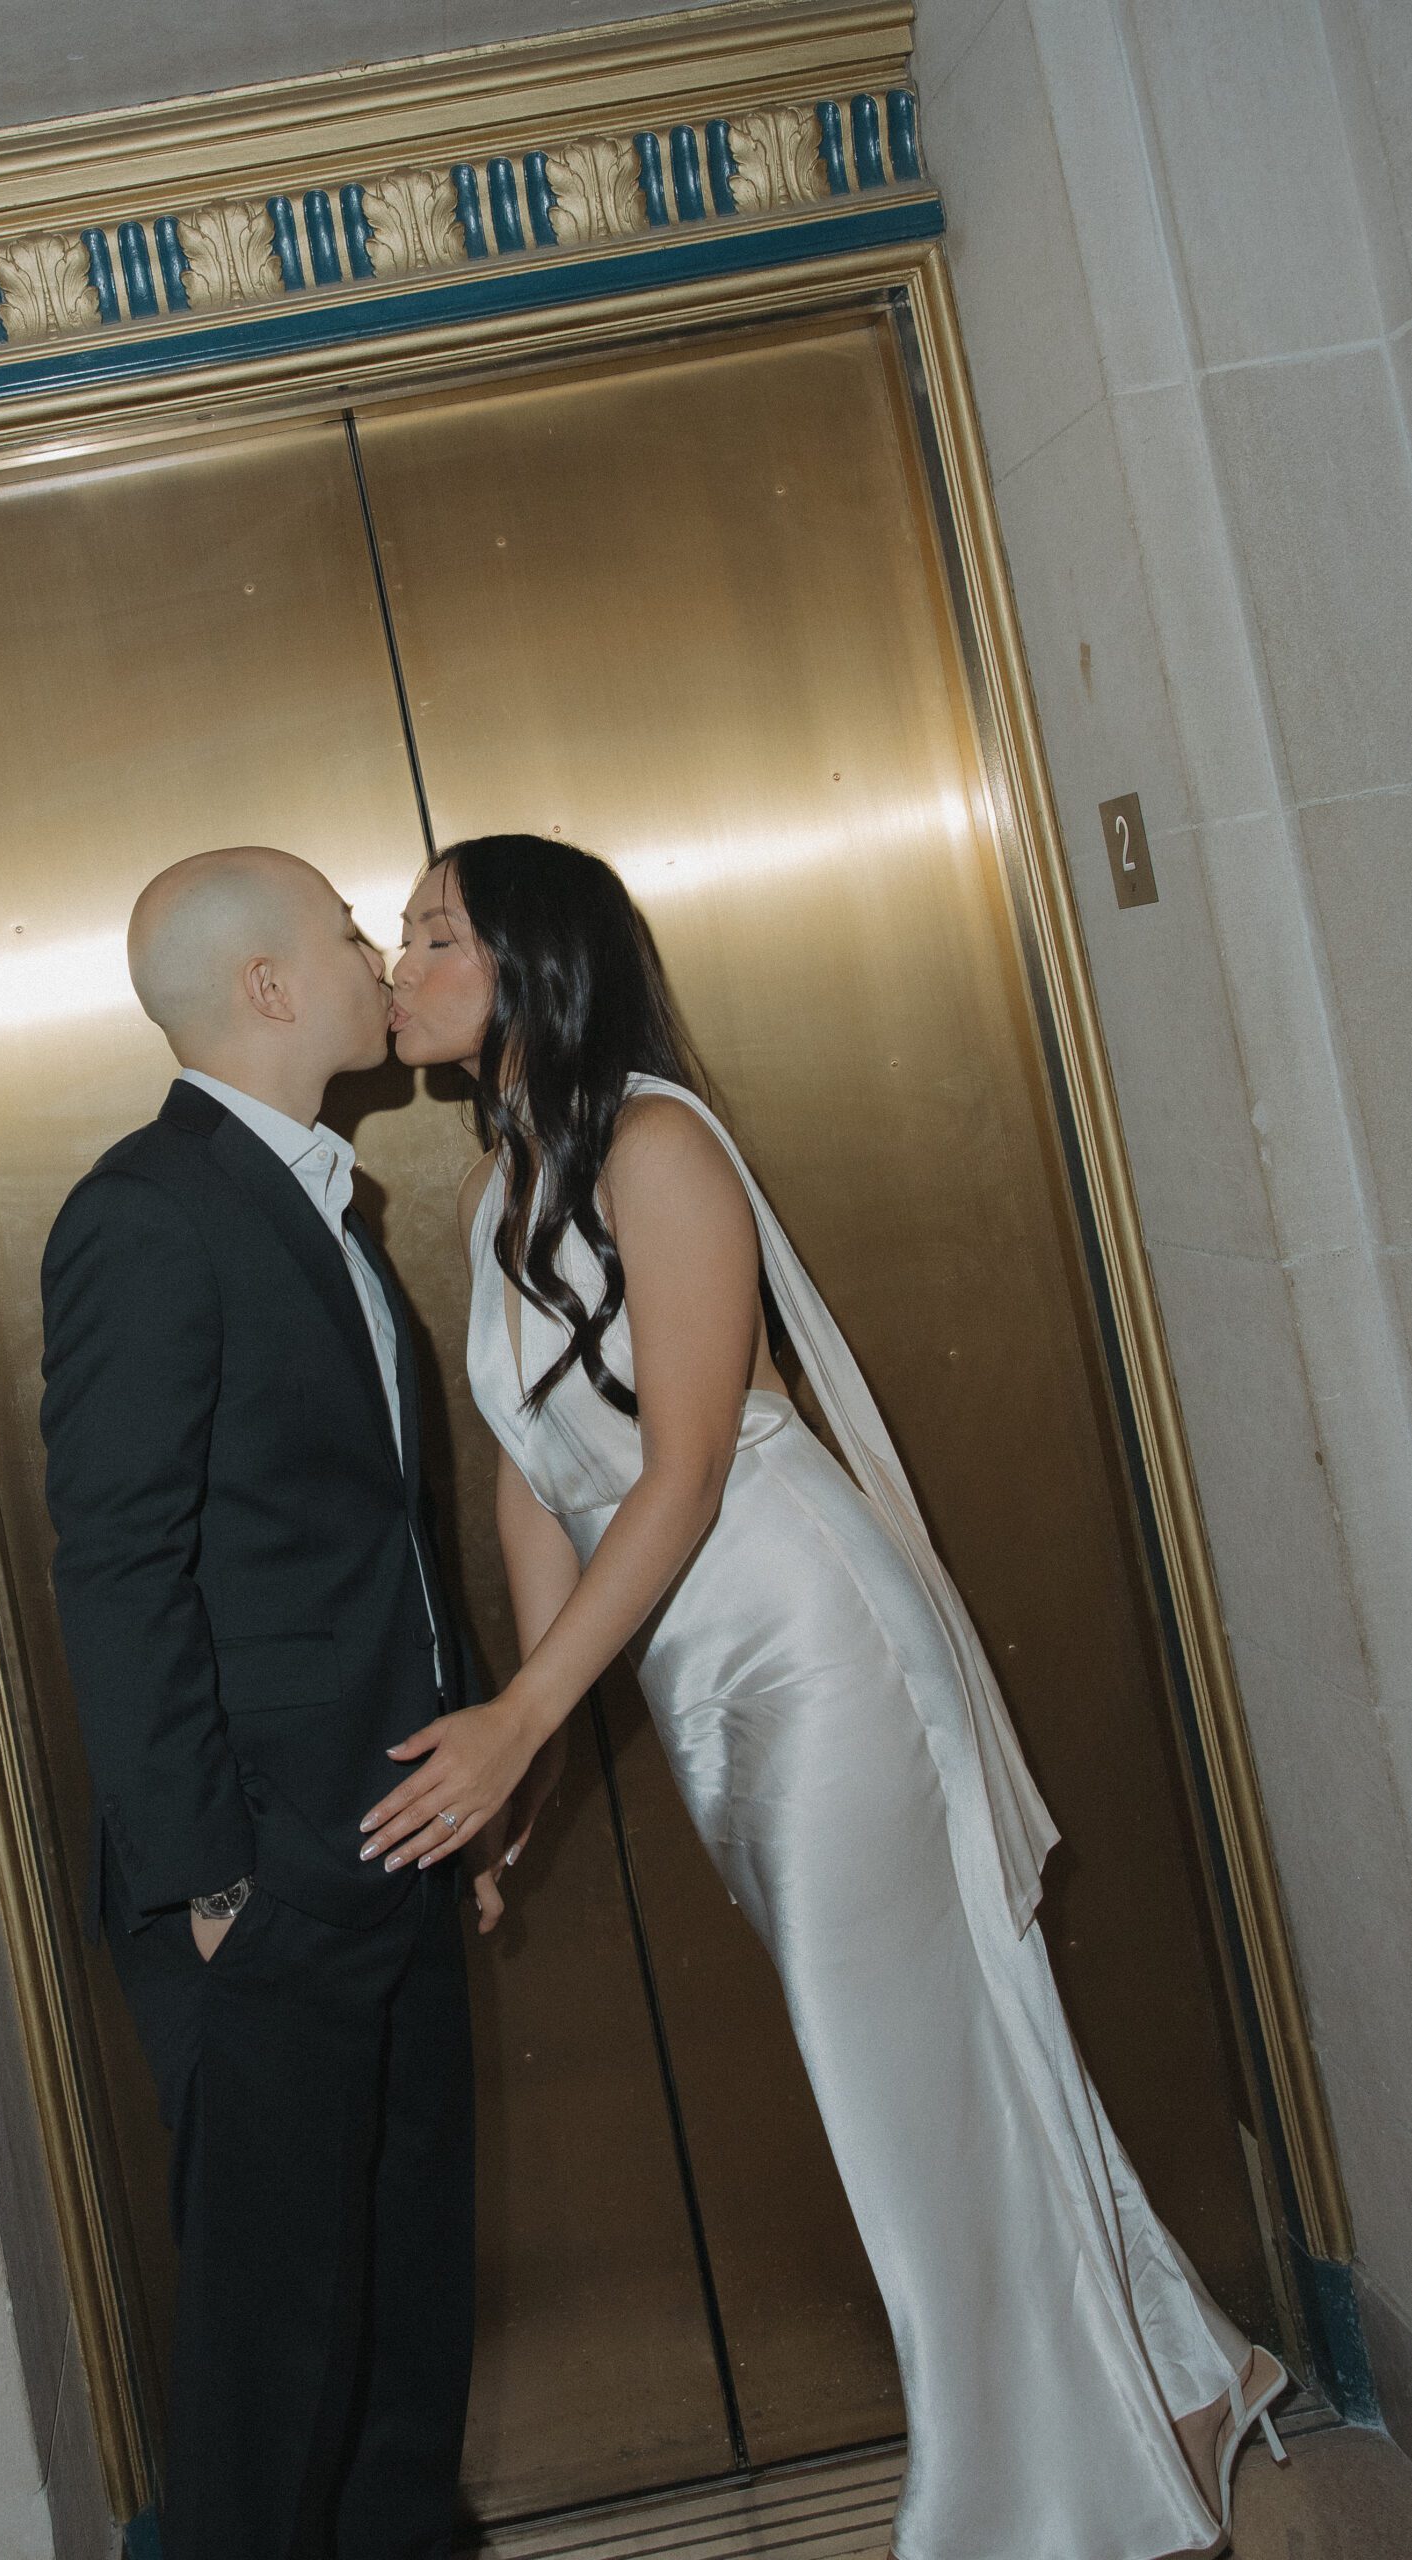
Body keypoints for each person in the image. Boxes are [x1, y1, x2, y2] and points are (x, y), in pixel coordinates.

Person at [370, 831, 1289, 2560]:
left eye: (433, 934)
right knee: (946, 2054)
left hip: (813, 1643)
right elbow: (531, 1482)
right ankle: (1174, 2380)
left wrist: (523, 1720)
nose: (399, 964)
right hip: (703, 1670)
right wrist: (531, 1756)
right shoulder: (507, 1180)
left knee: (898, 2081)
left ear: (534, 964)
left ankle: (1023, 2510)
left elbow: (688, 1466)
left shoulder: (653, 1142)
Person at [38, 846, 487, 2560]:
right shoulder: (147, 1213)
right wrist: (212, 1879)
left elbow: (366, 1537)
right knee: (269, 2379)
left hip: (391, 1845)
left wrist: (474, 1782)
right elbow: (119, 1565)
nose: (378, 954)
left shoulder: (315, 1196)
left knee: (395, 2338)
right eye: (347, 931)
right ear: (272, 989)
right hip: (273, 1877)